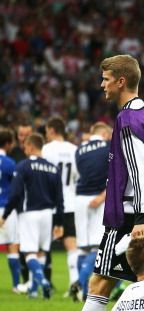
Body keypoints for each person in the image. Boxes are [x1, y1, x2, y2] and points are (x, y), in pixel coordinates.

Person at [27, 54, 144, 311]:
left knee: (99, 284)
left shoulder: (127, 120)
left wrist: (139, 219)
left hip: (128, 217)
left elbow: (139, 171)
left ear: (121, 81)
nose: (102, 85)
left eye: (106, 79)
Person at [0, 133, 63, 299]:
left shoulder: (23, 166)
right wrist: (59, 222)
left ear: (30, 146)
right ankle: (34, 292)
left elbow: (15, 194)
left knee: (29, 253)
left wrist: (5, 215)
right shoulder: (53, 168)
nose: (24, 149)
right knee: (41, 252)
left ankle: (43, 281)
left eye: (25, 146)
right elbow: (60, 198)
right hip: (48, 214)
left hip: (29, 213)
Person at [70, 122, 111, 301]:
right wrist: (103, 197)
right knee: (96, 246)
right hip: (98, 199)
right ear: (103, 134)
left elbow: (77, 174)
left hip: (79, 200)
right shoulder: (108, 147)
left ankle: (82, 294)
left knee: (83, 247)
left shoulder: (79, 150)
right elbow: (115, 175)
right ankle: (80, 282)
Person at [42, 116, 80, 293]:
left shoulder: (46, 150)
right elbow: (79, 177)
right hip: (70, 203)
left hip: (49, 203)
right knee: (71, 244)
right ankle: (75, 282)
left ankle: (41, 283)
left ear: (51, 130)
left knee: (42, 244)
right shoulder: (75, 150)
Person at [0, 127, 20, 293]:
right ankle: (15, 285)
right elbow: (15, 189)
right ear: (8, 144)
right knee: (13, 245)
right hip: (6, 208)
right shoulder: (10, 163)